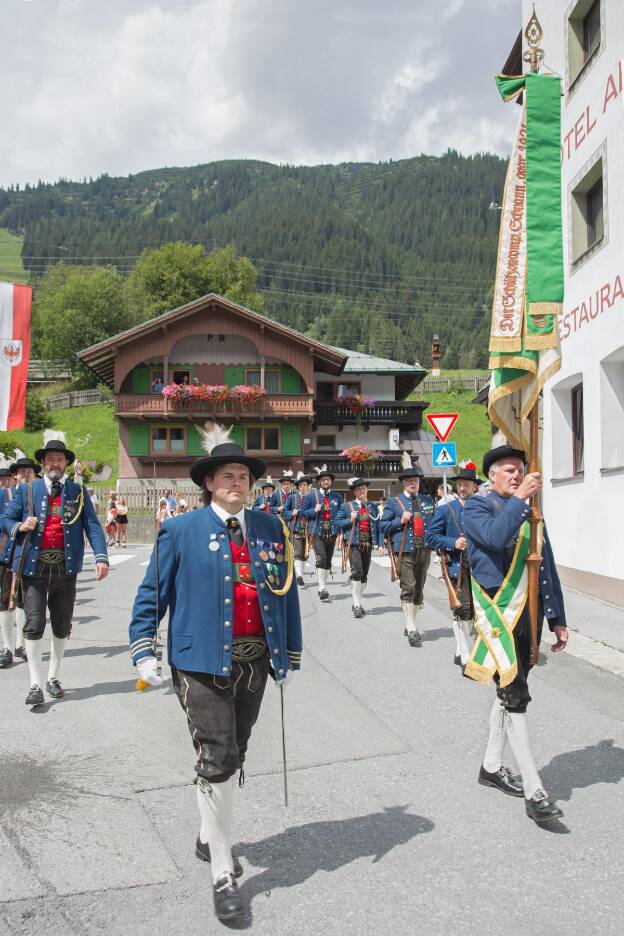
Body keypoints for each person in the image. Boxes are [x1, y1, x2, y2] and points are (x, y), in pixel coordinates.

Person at [129, 420, 301, 922]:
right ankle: (222, 869)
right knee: (218, 753)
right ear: (208, 482)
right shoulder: (180, 529)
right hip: (200, 662)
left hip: (255, 660)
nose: (236, 483)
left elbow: (285, 593)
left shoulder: (271, 528)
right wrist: (144, 649)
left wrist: (289, 654)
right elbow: (150, 595)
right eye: (226, 475)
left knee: (237, 750)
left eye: (243, 476)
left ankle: (208, 833)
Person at [463, 443, 568, 825]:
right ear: (491, 476)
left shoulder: (530, 513)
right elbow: (492, 538)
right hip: (499, 614)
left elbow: (546, 567)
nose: (516, 475)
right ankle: (534, 791)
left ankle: (491, 766)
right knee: (515, 694)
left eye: (519, 470)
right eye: (508, 469)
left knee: (508, 688)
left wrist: (557, 616)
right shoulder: (476, 507)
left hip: (530, 613)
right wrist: (521, 500)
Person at [0, 435, 108, 706]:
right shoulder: (27, 490)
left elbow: (92, 526)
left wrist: (101, 557)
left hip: (65, 569)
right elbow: (5, 518)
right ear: (43, 464)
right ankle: (35, 683)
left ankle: (53, 677)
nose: (55, 463)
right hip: (34, 570)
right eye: (50, 460)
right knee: (34, 625)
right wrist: (21, 526)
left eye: (59, 459)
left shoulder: (78, 492)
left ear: (67, 464)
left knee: (61, 626)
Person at [426, 460, 480, 671]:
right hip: (457, 568)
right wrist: (453, 543)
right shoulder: (446, 509)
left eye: (467, 483)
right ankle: (465, 654)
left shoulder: (484, 508)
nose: (463, 487)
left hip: (481, 569)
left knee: (477, 612)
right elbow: (431, 537)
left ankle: (462, 650)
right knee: (461, 610)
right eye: (460, 483)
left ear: (475, 486)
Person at [379, 456, 436, 647]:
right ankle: (411, 627)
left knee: (419, 590)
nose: (413, 483)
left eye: (416, 480)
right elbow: (382, 526)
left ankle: (410, 621)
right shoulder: (394, 503)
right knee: (408, 587)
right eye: (409, 480)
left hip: (425, 550)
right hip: (405, 551)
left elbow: (436, 524)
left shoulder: (428, 500)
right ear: (403, 482)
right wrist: (400, 521)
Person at [0, 455, 42, 666]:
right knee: (3, 603)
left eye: (30, 471)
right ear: (14, 476)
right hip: (4, 555)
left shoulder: (37, 497)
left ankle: (20, 644)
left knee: (21, 603)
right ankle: (6, 647)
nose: (26, 474)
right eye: (22, 471)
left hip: (25, 556)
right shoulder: (4, 494)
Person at [336, 478, 382, 618]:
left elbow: (379, 526)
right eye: (358, 489)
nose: (361, 491)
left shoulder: (373, 507)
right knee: (357, 571)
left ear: (366, 489)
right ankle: (356, 603)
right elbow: (337, 522)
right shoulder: (346, 506)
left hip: (367, 543)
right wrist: (350, 519)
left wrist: (380, 544)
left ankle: (358, 600)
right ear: (354, 492)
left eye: (363, 488)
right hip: (354, 543)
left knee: (364, 575)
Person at [302, 467, 343, 601]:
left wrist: (341, 532)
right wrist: (314, 510)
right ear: (319, 482)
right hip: (317, 532)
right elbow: (304, 512)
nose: (326, 481)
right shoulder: (310, 496)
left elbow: (341, 515)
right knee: (322, 558)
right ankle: (322, 588)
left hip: (331, 533)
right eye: (323, 480)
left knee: (328, 562)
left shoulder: (337, 496)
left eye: (328, 479)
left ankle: (323, 586)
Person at [283, 472, 311, 586]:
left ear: (307, 486)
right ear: (298, 487)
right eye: (301, 485)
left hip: (309, 528)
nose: (303, 487)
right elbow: (284, 511)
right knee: (298, 552)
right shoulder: (292, 497)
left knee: (305, 553)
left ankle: (300, 574)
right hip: (296, 527)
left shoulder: (312, 497)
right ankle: (299, 574)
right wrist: (291, 513)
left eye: (304, 485)